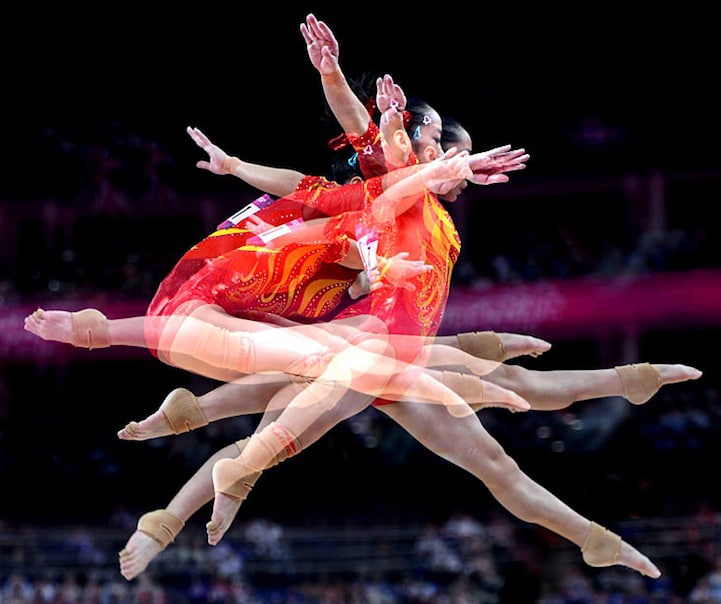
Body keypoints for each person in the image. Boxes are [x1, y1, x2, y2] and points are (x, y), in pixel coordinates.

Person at [112, 15, 703, 581]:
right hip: (366, 349)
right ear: (422, 152)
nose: (455, 162)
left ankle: (599, 525)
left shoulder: (438, 214)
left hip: (402, 357)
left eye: (457, 153)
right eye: (445, 149)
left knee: (500, 451)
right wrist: (337, 78)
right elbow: (373, 135)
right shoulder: (396, 187)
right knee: (267, 438)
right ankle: (163, 519)